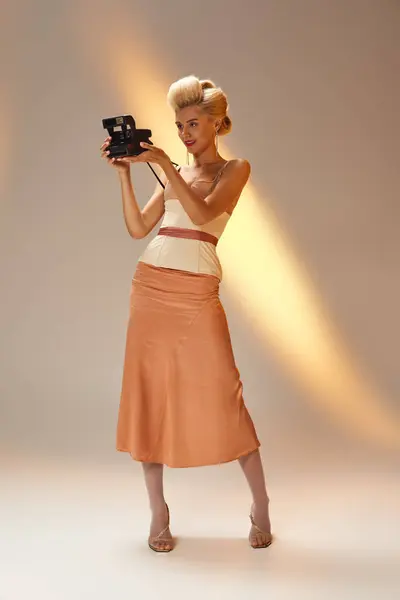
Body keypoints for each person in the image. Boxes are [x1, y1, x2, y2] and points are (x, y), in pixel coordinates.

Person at [100, 75, 272, 552]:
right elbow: (138, 228)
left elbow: (201, 215)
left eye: (193, 123)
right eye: (178, 125)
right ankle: (158, 512)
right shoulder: (171, 169)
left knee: (225, 394)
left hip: (197, 293)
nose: (185, 133)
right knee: (149, 396)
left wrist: (163, 166)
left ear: (217, 123)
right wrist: (125, 173)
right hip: (150, 287)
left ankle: (260, 505)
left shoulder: (234, 168)